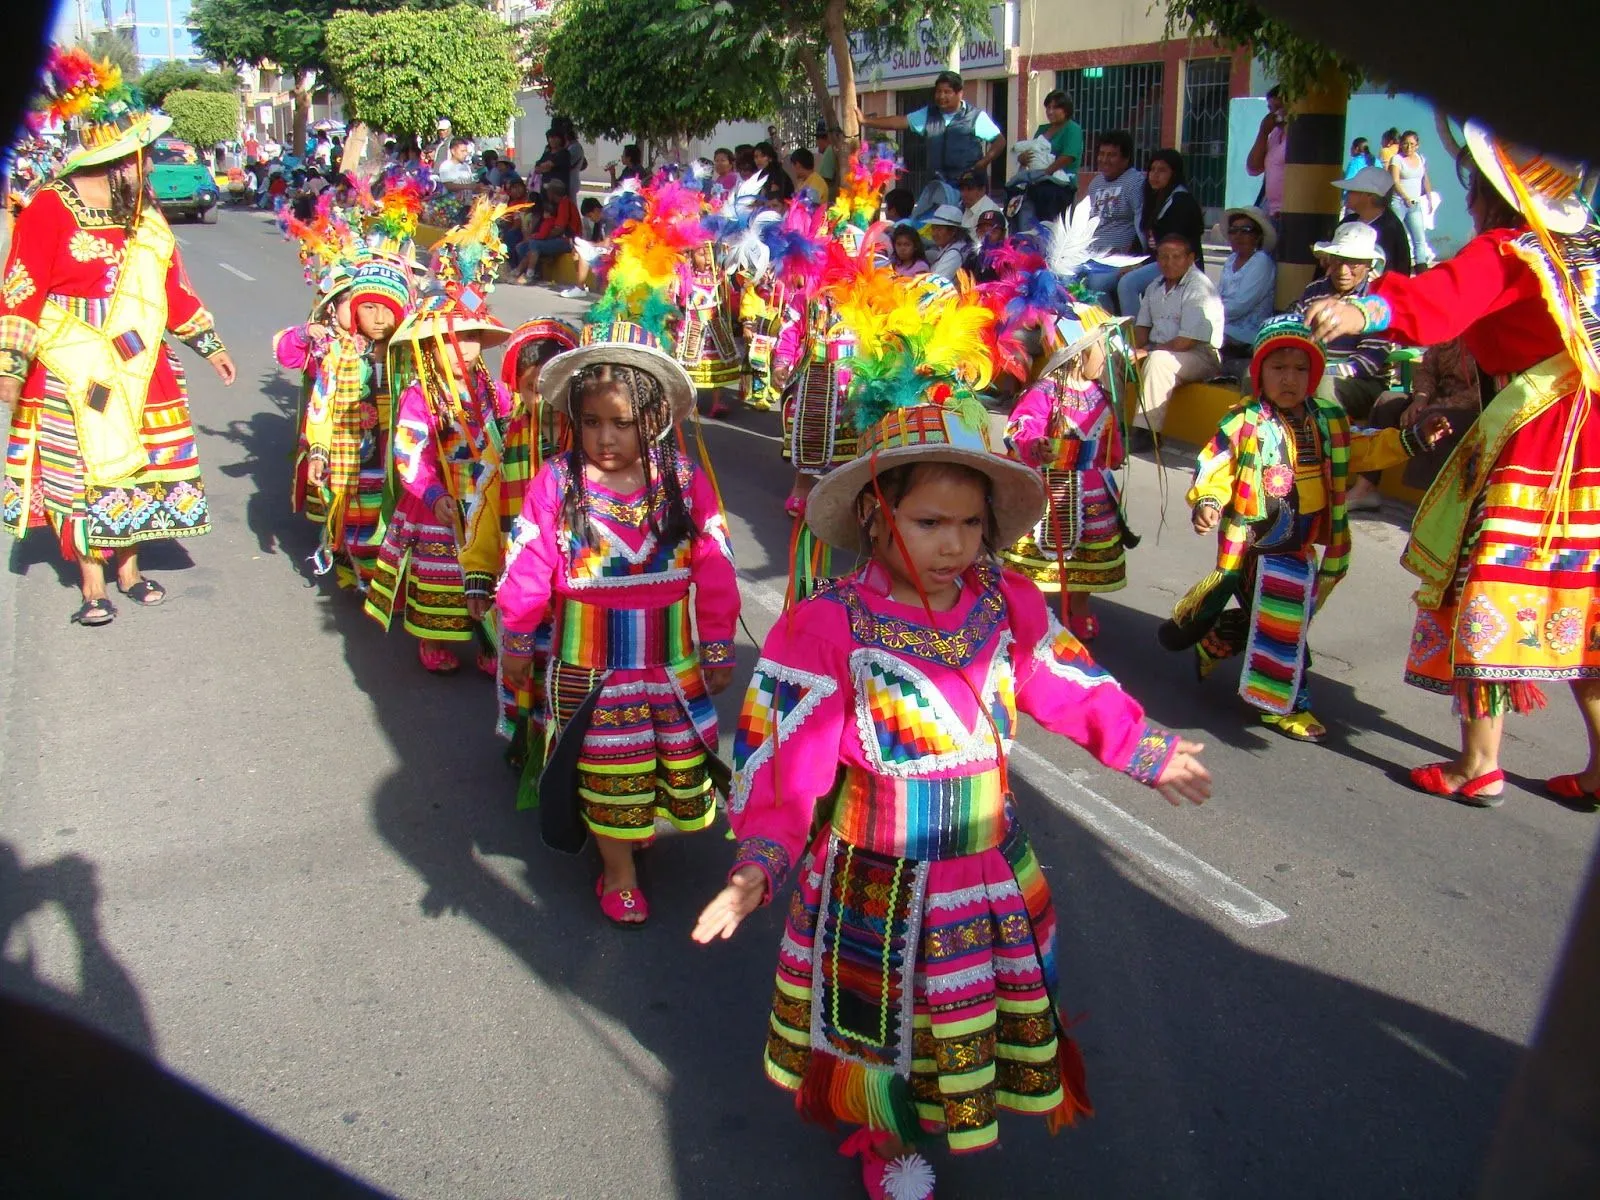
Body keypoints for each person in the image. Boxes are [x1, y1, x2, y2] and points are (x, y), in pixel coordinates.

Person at [693, 281, 1209, 1200]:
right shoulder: (825, 625)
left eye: (971, 523)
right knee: (877, 1019)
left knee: (958, 1011)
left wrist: (1145, 749)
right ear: (873, 517)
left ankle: (942, 1101)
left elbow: (1064, 680)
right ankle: (881, 1137)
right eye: (930, 522)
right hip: (874, 877)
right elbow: (784, 758)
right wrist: (759, 862)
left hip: (987, 865)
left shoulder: (1005, 603)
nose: (954, 543)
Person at [1306, 122, 1600, 807]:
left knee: (1481, 584)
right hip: (1589, 438)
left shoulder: (1512, 250)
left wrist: (1364, 310)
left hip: (1542, 435)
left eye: (1473, 183)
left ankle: (1478, 764)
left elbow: (1443, 299)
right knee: (1584, 598)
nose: (1468, 198)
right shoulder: (1585, 249)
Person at [498, 328, 739, 926]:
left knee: (670, 759)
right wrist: (517, 640)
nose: (605, 438)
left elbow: (715, 568)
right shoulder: (556, 482)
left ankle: (628, 826)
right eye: (590, 422)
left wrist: (716, 644)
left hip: (670, 662)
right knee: (610, 765)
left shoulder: (682, 481)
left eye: (622, 423)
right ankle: (619, 870)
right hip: (589, 667)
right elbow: (528, 566)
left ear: (653, 417)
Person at [0, 52, 236, 627]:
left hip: (143, 364)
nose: (149, 166)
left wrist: (210, 344)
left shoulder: (144, 216)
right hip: (71, 367)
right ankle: (92, 585)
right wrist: (10, 366)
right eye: (143, 157)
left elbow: (171, 287)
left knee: (139, 470)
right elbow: (21, 290)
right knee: (81, 476)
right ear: (115, 162)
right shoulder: (50, 210)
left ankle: (129, 571)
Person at [1160, 316, 1450, 742]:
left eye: (1300, 369)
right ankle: (1285, 705)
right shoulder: (1244, 422)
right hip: (1255, 544)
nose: (1290, 378)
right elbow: (1215, 464)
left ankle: (1219, 638)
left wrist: (1412, 439)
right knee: (1285, 624)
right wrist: (1208, 500)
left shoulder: (1330, 420)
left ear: (1314, 375)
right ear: (1259, 373)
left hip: (1303, 546)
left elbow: (1363, 448)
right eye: (1279, 368)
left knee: (1283, 617)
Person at [365, 211, 513, 675]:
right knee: (442, 573)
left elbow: (512, 430)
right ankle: (433, 638)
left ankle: (492, 642)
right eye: (453, 338)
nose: (463, 347)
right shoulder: (419, 395)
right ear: (430, 344)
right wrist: (433, 494)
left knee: (490, 569)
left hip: (486, 497)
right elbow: (408, 454)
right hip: (440, 502)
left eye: (471, 337)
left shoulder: (494, 389)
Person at [460, 318, 579, 778]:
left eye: (557, 386)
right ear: (517, 386)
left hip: (577, 594)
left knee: (570, 678)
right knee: (524, 670)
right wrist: (478, 573)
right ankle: (528, 745)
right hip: (525, 590)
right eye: (533, 388)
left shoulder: (591, 442)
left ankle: (568, 755)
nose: (545, 401)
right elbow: (484, 510)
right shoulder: (501, 439)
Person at [275, 257, 412, 590]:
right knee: (360, 523)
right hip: (355, 459)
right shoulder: (339, 354)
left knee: (397, 523)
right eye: (369, 308)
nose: (379, 319)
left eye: (388, 309)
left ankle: (386, 579)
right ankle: (367, 576)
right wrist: (319, 452)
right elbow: (321, 406)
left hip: (397, 459)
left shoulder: (410, 354)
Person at [1001, 303, 1133, 641]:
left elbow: (1109, 438)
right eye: (1102, 348)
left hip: (1092, 490)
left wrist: (1114, 454)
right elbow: (1021, 426)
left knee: (1085, 560)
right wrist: (1036, 445)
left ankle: (1078, 608)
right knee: (1039, 564)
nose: (1107, 356)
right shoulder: (1044, 392)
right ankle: (1032, 610)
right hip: (1052, 491)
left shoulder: (1100, 395)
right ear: (1078, 353)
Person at [1345, 337, 1481, 509]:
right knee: (1387, 402)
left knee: (1433, 418)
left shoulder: (1487, 342)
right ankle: (1365, 488)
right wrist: (1420, 399)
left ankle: (1430, 505)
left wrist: (1433, 407)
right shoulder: (1449, 334)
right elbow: (1426, 371)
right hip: (1434, 399)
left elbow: (1478, 394)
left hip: (1468, 409)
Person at [857, 70, 1005, 217]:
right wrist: (866, 121)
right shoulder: (929, 114)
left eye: (947, 92)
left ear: (959, 93)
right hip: (938, 185)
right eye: (938, 92)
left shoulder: (975, 117)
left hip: (967, 188)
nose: (941, 96)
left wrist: (982, 164)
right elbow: (901, 121)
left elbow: (999, 141)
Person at [1288, 221, 1392, 419]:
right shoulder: (1314, 290)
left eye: (1353, 263)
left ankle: (1332, 446)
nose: (1343, 270)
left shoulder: (1378, 298)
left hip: (1360, 382)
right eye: (1337, 260)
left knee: (1325, 385)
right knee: (1258, 374)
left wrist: (1317, 372)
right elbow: (1297, 332)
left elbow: (1367, 363)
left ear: (1369, 264)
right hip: (1313, 372)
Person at [1129, 233, 1224, 447]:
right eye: (1163, 257)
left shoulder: (1199, 288)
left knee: (1158, 361)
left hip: (1200, 355)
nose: (1169, 262)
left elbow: (1186, 342)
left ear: (1190, 258)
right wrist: (1132, 350)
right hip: (1162, 349)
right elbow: (1143, 327)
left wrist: (1147, 352)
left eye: (1176, 256)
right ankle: (1108, 422)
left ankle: (1147, 433)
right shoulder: (1155, 286)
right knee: (1115, 356)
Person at [1115, 148, 1205, 318]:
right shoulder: (1154, 198)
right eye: (1152, 169)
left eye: (1162, 170)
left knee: (1128, 283)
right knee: (1101, 279)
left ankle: (1132, 337)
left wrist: (1138, 266)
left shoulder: (1181, 202)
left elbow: (1174, 246)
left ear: (1174, 173)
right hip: (1154, 261)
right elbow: (1144, 237)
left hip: (1177, 263)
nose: (1155, 175)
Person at [672, 237, 741, 417]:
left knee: (715, 366)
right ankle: (690, 402)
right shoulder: (683, 276)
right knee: (689, 366)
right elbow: (675, 298)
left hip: (715, 326)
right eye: (702, 254)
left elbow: (728, 298)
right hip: (692, 326)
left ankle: (717, 402)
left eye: (710, 253)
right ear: (691, 255)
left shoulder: (718, 276)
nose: (708, 259)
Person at [1078, 130, 1146, 308]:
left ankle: (1110, 329)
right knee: (1064, 279)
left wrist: (1135, 258)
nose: (1104, 159)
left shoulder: (1135, 182)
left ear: (1125, 159)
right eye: (1101, 154)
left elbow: (1142, 224)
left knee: (1095, 286)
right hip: (1093, 255)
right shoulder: (1096, 183)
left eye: (1112, 155)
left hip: (1120, 258)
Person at [1216, 205, 1277, 370]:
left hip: (1247, 334)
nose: (1238, 236)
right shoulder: (1230, 260)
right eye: (1233, 231)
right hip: (1224, 325)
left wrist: (1209, 317)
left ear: (1257, 236)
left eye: (1245, 230)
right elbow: (1217, 296)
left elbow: (1241, 305)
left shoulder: (1261, 261)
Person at [1330, 165, 1412, 276]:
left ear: (1369, 195)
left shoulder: (1390, 229)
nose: (1347, 194)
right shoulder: (1348, 221)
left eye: (1351, 190)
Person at [1026, 88, 1083, 222]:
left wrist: (1046, 172)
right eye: (1048, 107)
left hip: (1060, 187)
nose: (1050, 111)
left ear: (1066, 109)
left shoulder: (1072, 128)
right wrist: (1023, 158)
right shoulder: (1042, 129)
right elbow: (1033, 150)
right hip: (1037, 183)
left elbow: (1069, 156)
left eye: (1055, 107)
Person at [512, 178, 580, 283]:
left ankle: (529, 274)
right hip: (560, 239)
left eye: (549, 191)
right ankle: (529, 272)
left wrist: (542, 237)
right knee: (523, 247)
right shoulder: (559, 204)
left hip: (568, 241)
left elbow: (559, 229)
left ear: (552, 193)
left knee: (535, 244)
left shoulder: (564, 204)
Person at [1389, 129, 1436, 268]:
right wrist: (1405, 197)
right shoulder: (1397, 159)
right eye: (1405, 144)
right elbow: (1395, 181)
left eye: (1411, 144)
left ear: (1417, 145)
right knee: (1394, 237)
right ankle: (1392, 266)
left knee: (1419, 239)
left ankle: (1421, 268)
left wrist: (1429, 197)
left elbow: (1425, 179)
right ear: (1400, 144)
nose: (1408, 147)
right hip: (1398, 202)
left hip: (1415, 204)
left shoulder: (1421, 158)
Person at [1246, 86, 1287, 230]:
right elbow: (1253, 168)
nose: (1274, 113)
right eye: (1270, 108)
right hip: (1271, 211)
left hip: (1288, 213)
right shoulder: (1274, 135)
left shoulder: (1297, 136)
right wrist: (1263, 132)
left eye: (1278, 107)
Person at [919, 204, 971, 280]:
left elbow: (936, 284)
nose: (934, 234)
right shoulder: (950, 247)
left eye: (939, 229)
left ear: (953, 231)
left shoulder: (954, 254)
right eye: (933, 228)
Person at [957, 168, 1001, 233]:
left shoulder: (989, 213)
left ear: (982, 190)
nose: (964, 194)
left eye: (969, 189)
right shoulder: (968, 205)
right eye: (962, 189)